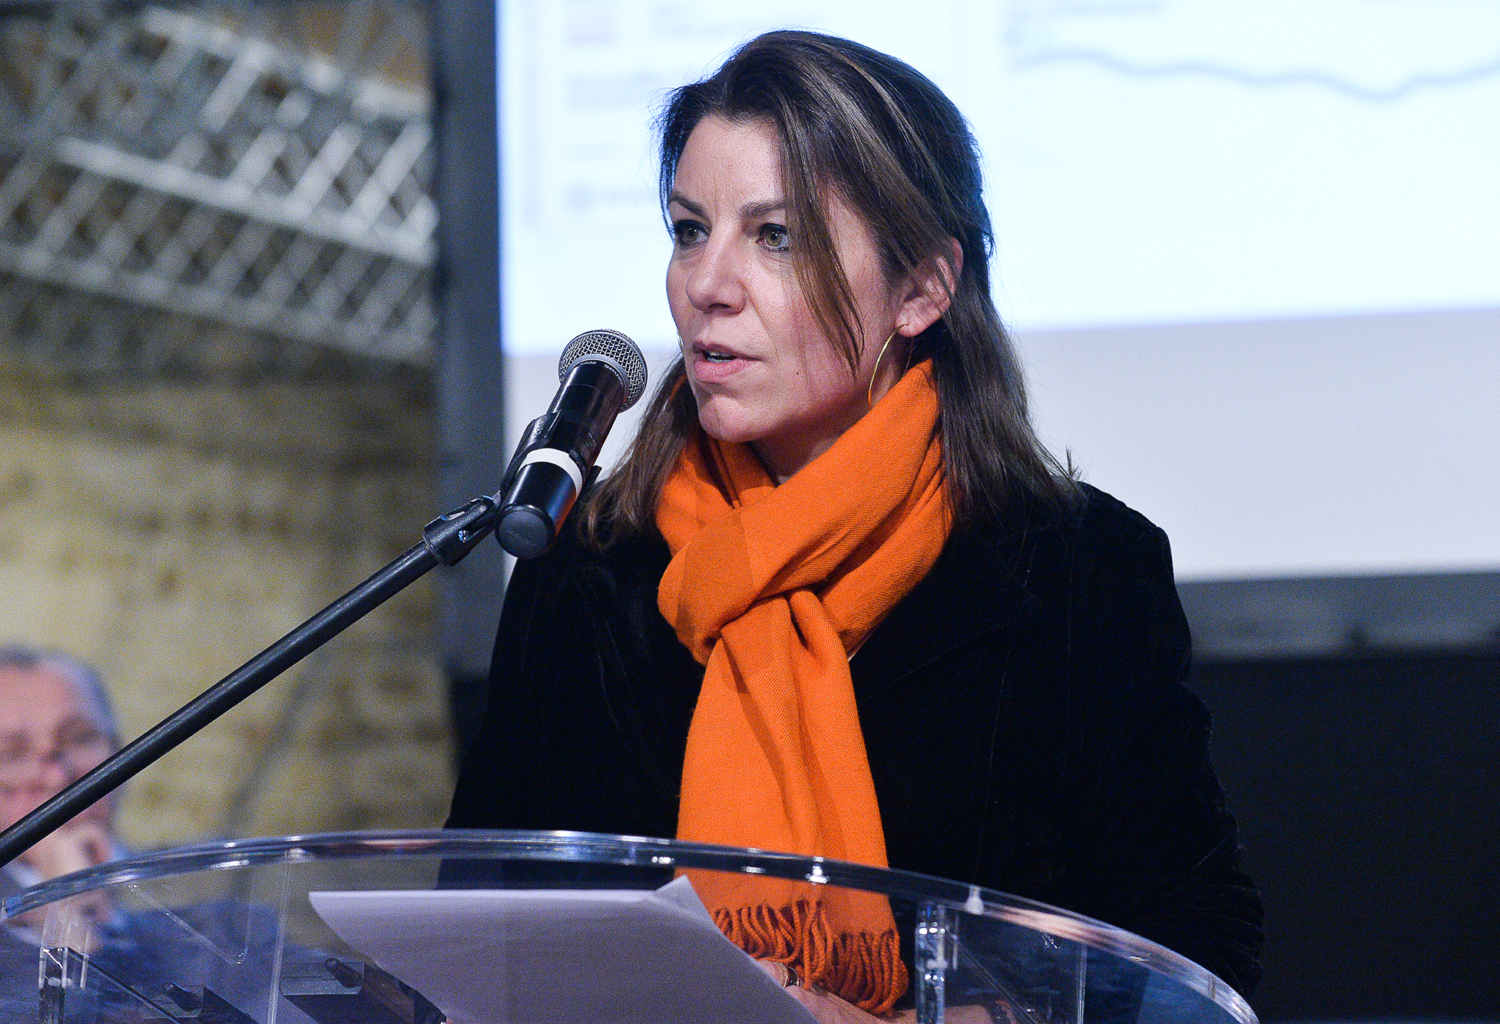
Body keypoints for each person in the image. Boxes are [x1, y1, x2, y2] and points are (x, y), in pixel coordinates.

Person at [447, 29, 1263, 1019]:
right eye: (689, 228)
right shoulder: (590, 560)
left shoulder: (1080, 572)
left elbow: (1192, 950)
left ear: (922, 287)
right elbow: (478, 925)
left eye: (775, 236)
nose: (708, 283)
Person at [0, 643, 121, 922]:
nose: (57, 777)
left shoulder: (209, 888)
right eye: (13, 756)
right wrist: (70, 907)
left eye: (80, 738)